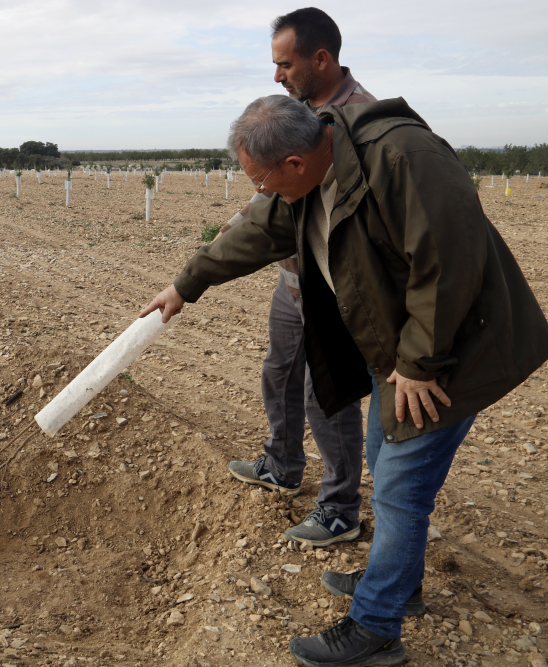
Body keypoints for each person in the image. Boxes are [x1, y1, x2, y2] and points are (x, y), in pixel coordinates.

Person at [141, 95, 548, 667]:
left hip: (449, 355)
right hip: (399, 358)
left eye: (263, 179)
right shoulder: (309, 183)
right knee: (388, 470)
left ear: (295, 164)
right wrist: (187, 284)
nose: (260, 190)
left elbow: (450, 264)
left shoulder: (403, 158)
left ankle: (376, 627)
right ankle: (399, 586)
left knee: (401, 489)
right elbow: (259, 230)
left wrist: (417, 364)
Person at [223, 7, 376, 548]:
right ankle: (282, 463)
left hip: (332, 290)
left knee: (325, 396)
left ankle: (339, 508)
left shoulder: (360, 124)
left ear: (321, 58)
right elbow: (273, 197)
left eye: (285, 64)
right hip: (291, 281)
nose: (277, 75)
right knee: (279, 373)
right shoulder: (297, 114)